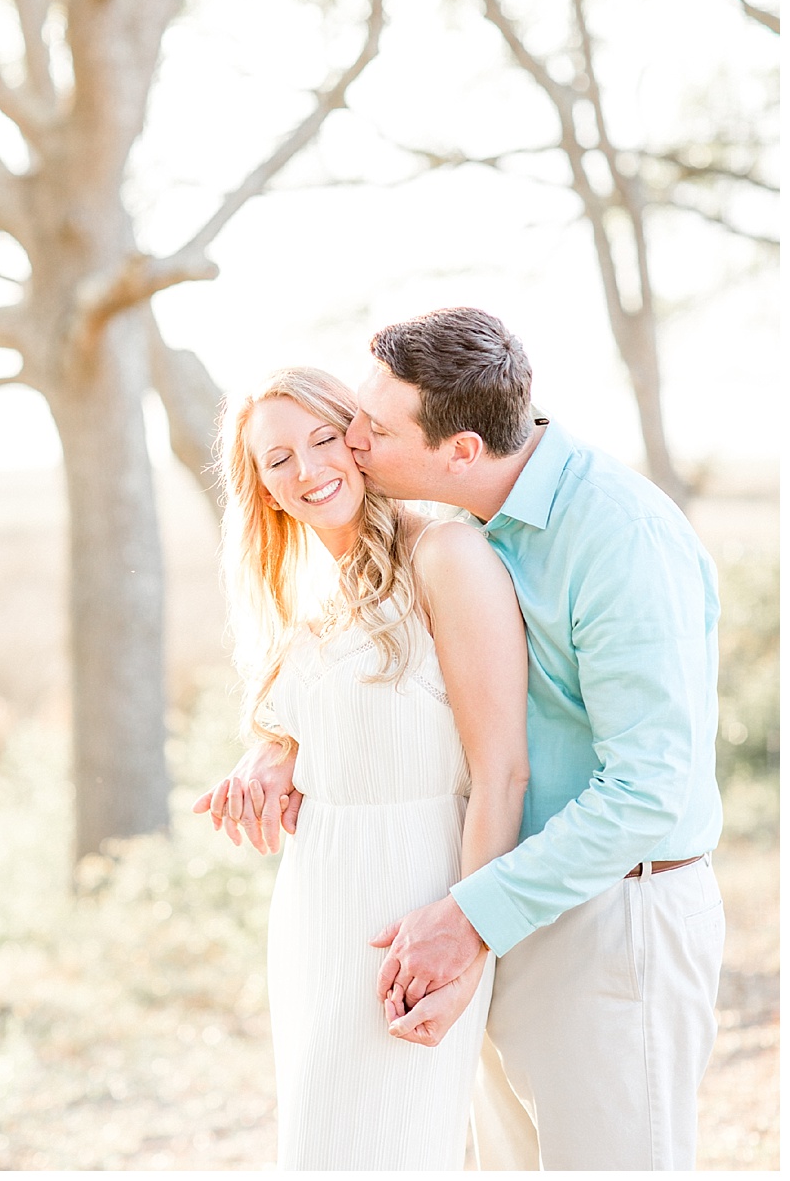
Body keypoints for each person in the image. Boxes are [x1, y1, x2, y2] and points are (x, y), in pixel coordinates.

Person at [201, 308, 724, 1170]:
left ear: (461, 450)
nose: (353, 445)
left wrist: (472, 918)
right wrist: (285, 747)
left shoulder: (614, 537)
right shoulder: (484, 524)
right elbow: (416, 693)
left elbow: (647, 789)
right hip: (502, 901)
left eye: (367, 429)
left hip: (614, 911)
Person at [206, 366, 529, 1169]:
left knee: (389, 1150)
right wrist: (271, 752)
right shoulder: (311, 590)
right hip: (316, 905)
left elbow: (502, 773)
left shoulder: (447, 553)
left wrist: (470, 935)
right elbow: (325, 721)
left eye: (324, 440)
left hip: (411, 900)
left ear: (360, 440)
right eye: (278, 460)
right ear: (262, 487)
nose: (309, 470)